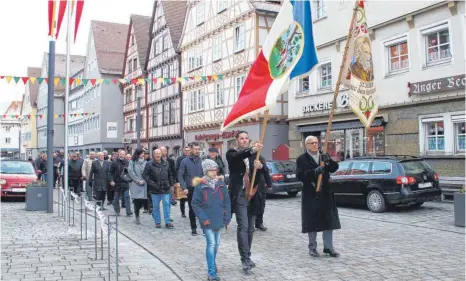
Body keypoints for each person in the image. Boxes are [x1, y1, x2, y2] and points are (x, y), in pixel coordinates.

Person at [225, 131, 265, 274]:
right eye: (241, 138)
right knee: (243, 226)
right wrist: (252, 150)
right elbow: (239, 156)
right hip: (240, 193)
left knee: (251, 228)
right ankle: (245, 259)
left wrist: (260, 167)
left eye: (246, 138)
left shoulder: (255, 155)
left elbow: (261, 174)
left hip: (253, 194)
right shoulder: (232, 153)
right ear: (237, 140)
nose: (244, 140)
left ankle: (248, 255)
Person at [296, 135, 340, 258]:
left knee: (328, 221)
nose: (315, 145)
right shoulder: (302, 159)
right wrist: (315, 171)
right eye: (312, 143)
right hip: (311, 193)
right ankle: (313, 248)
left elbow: (334, 168)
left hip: (325, 193)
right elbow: (300, 175)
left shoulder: (323, 155)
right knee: (312, 221)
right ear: (306, 145)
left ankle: (329, 247)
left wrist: (328, 162)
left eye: (316, 142)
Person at [191, 159, 231, 281]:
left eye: (215, 169)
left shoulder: (221, 184)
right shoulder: (200, 186)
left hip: (219, 218)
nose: (215, 172)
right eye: (212, 170)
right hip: (207, 220)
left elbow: (227, 202)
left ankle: (212, 264)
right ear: (206, 171)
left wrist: (227, 218)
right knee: (211, 244)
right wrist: (203, 218)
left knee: (217, 244)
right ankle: (212, 272)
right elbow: (195, 204)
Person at [143, 149, 175, 229]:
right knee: (156, 206)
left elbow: (170, 174)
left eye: (159, 154)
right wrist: (152, 184)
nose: (158, 155)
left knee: (166, 205)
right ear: (153, 155)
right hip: (155, 189)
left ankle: (168, 222)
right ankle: (157, 222)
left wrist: (171, 184)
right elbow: (145, 175)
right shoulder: (149, 164)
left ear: (161, 154)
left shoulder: (166, 163)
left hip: (165, 188)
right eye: (156, 154)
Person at [178, 142, 203, 235]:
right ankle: (194, 228)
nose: (197, 151)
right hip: (190, 188)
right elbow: (180, 175)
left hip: (202, 188)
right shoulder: (185, 161)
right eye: (195, 149)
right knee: (193, 209)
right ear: (191, 150)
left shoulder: (202, 160)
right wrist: (183, 187)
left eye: (198, 149)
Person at [249, 141, 273, 232]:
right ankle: (250, 223)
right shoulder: (248, 157)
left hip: (260, 184)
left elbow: (266, 171)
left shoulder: (261, 158)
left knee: (261, 203)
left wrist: (269, 183)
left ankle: (259, 223)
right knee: (252, 204)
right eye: (255, 146)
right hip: (251, 184)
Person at [108, 149, 133, 216]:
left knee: (127, 197)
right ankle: (117, 211)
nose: (122, 155)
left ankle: (128, 211)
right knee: (116, 198)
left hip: (125, 183)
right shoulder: (114, 162)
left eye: (123, 154)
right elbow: (110, 172)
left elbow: (130, 172)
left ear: (125, 155)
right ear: (119, 154)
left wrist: (129, 178)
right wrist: (111, 180)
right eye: (121, 154)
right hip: (117, 183)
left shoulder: (127, 162)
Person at [128, 148, 147, 224]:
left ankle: (139, 211)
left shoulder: (146, 162)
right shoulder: (132, 162)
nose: (143, 154)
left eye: (144, 153)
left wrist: (145, 180)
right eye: (142, 153)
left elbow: (148, 172)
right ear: (138, 154)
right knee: (137, 201)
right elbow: (131, 172)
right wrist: (138, 180)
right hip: (135, 184)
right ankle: (137, 216)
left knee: (142, 201)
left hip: (144, 184)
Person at [176, 146, 191, 217]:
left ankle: (192, 212)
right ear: (183, 151)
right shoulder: (180, 159)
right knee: (182, 197)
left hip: (190, 180)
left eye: (188, 150)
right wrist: (178, 180)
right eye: (186, 150)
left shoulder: (192, 158)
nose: (187, 152)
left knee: (191, 197)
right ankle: (183, 212)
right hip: (183, 179)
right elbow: (177, 169)